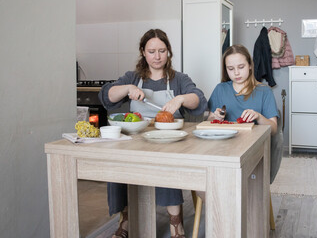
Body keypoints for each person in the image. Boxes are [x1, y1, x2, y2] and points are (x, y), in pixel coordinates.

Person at [98, 28, 207, 238]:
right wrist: (127, 88)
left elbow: (198, 100)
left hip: (167, 140)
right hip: (135, 141)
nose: (157, 57)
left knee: (165, 160)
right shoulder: (133, 77)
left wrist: (181, 99)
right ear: (143, 52)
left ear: (169, 52)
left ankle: (176, 223)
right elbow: (107, 96)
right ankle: (126, 220)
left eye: (162, 50)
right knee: (116, 161)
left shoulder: (178, 79)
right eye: (151, 51)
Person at [197, 44, 279, 201]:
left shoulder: (264, 91)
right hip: (222, 151)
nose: (236, 73)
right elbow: (208, 120)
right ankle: (222, 210)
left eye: (241, 67)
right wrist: (214, 118)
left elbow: (274, 129)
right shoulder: (220, 89)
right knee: (201, 180)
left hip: (252, 152)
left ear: (250, 65)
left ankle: (227, 207)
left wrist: (258, 116)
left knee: (226, 183)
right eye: (230, 68)